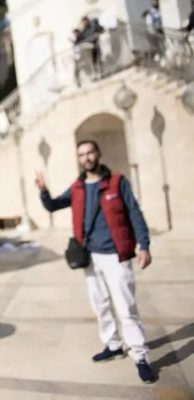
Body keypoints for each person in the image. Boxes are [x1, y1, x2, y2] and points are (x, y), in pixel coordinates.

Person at [34, 140, 157, 384]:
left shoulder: (116, 182)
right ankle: (112, 345)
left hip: (116, 256)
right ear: (79, 159)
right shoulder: (78, 187)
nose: (87, 158)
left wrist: (143, 245)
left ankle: (140, 356)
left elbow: (135, 213)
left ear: (98, 154)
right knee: (100, 304)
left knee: (126, 307)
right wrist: (43, 191)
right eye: (82, 154)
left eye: (90, 152)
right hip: (90, 257)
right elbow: (54, 205)